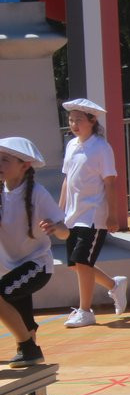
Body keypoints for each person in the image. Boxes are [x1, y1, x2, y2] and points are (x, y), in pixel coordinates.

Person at [58, 99, 126, 328]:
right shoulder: (71, 146)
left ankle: (85, 311)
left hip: (94, 215)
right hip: (73, 215)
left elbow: (110, 183)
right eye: (71, 120)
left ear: (92, 120)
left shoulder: (101, 148)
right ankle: (114, 285)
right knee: (77, 264)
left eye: (79, 120)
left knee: (82, 262)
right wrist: (60, 210)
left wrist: (112, 215)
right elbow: (67, 179)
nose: (74, 124)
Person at [0, 138, 68, 367]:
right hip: (13, 268)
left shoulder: (37, 193)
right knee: (26, 329)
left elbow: (65, 233)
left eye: (5, 160)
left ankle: (28, 347)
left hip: (36, 267)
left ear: (25, 165)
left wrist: (54, 227)